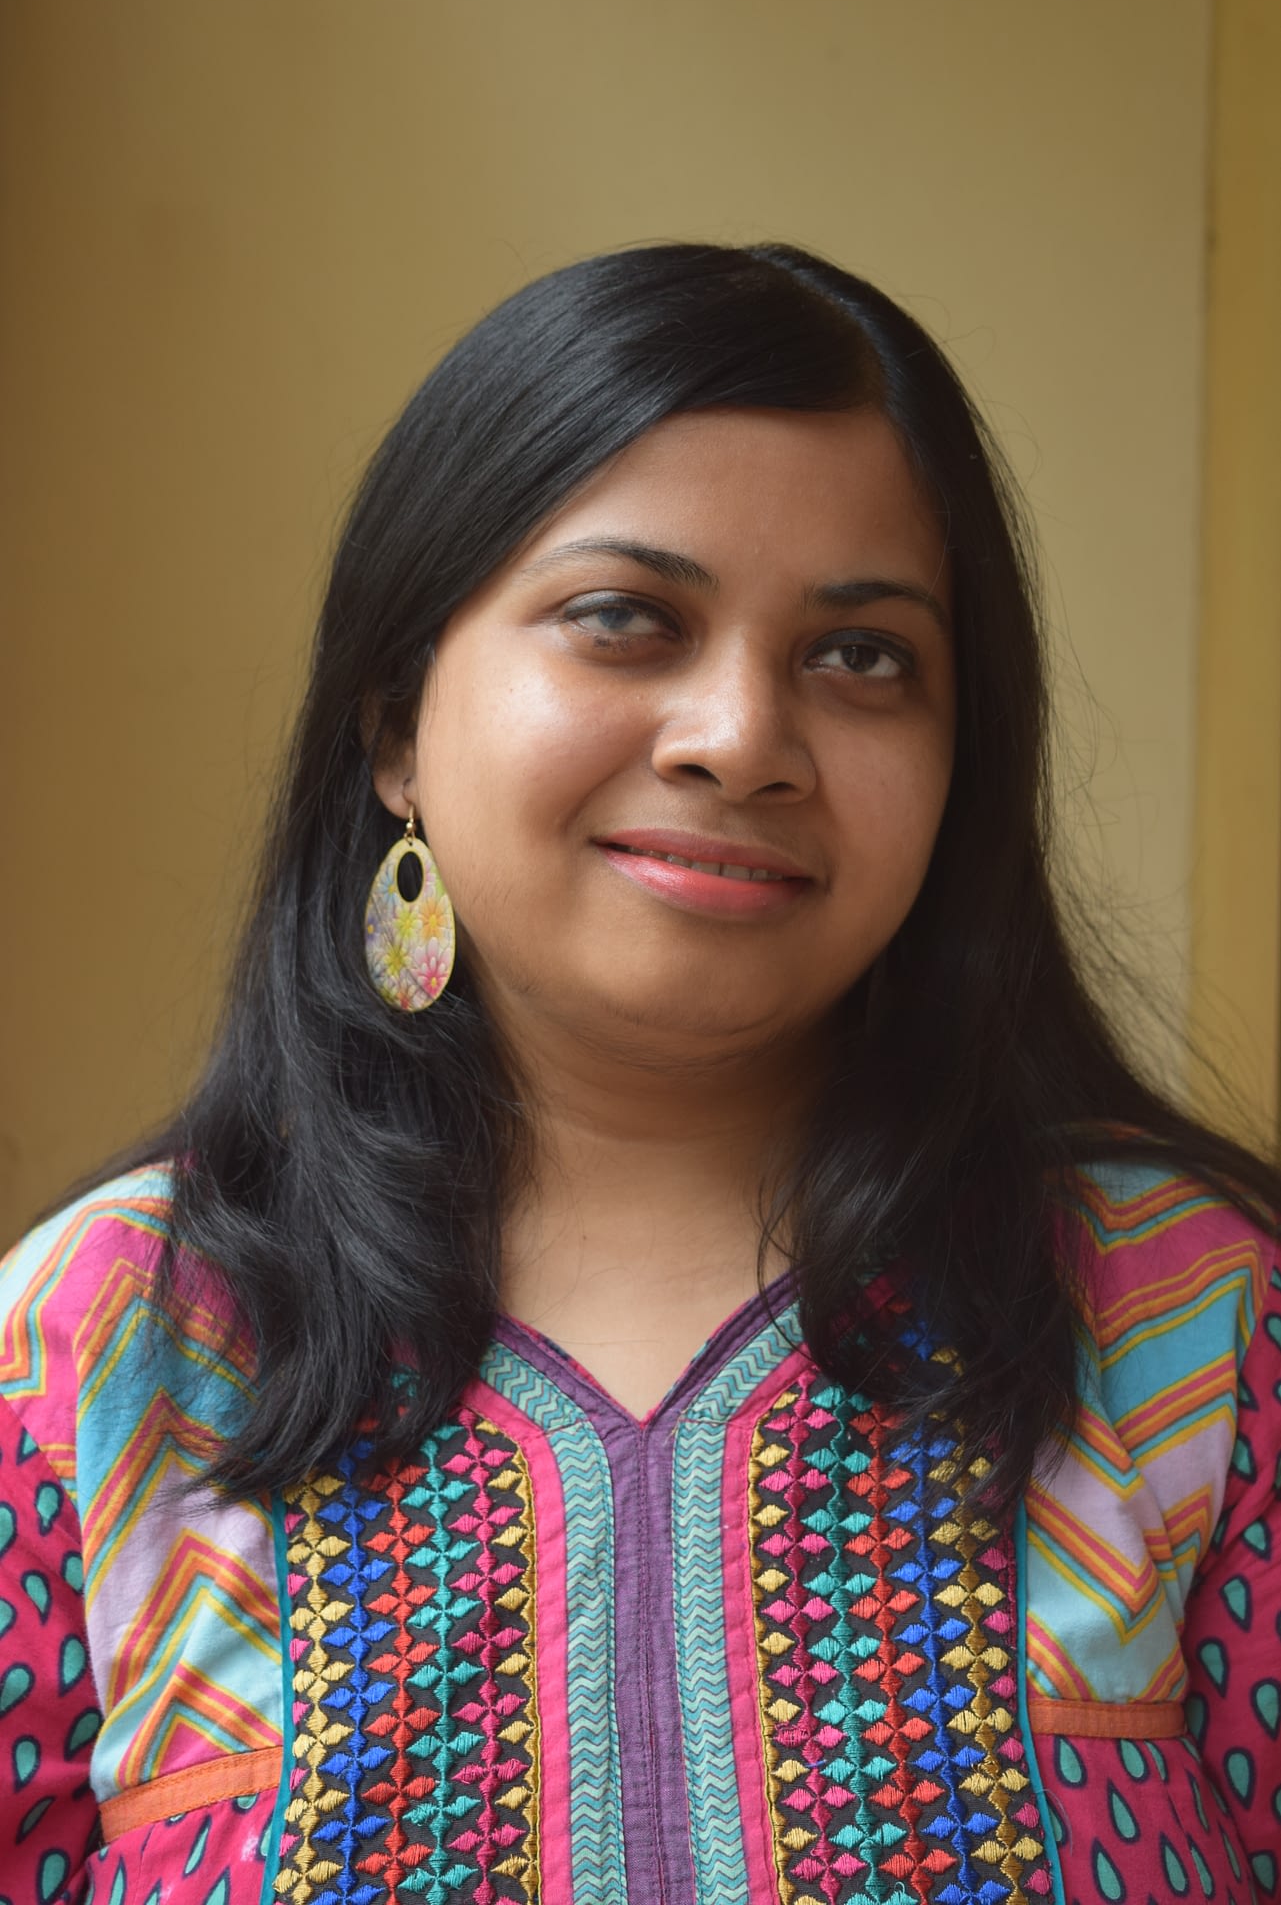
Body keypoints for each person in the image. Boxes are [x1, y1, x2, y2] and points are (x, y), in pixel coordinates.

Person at [0, 243, 1276, 1905]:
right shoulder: (101, 1352)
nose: (737, 734)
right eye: (624, 620)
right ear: (395, 720)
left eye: (862, 655)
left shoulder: (1193, 1329)